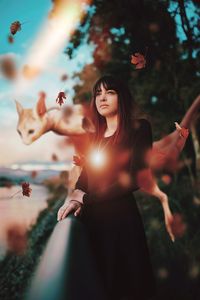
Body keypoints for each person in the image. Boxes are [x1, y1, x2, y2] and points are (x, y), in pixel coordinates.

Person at [57, 75, 174, 300]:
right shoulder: (95, 138)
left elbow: (133, 180)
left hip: (122, 223)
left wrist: (86, 200)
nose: (102, 98)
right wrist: (75, 197)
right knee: (99, 285)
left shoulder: (139, 129)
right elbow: (86, 177)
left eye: (109, 92)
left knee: (126, 285)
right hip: (92, 222)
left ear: (121, 97)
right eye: (98, 93)